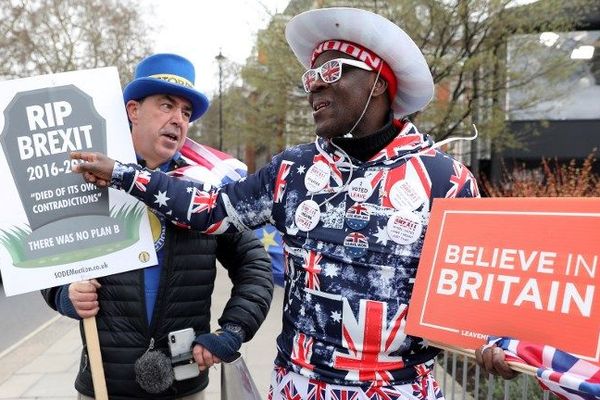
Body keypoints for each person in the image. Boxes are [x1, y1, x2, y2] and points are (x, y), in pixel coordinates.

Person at [71, 8, 481, 400]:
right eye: (310, 77)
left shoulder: (447, 181)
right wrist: (122, 174)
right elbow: (213, 209)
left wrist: (495, 344)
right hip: (297, 385)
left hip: (398, 388)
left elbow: (478, 295)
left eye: (330, 71)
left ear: (377, 82)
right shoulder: (294, 169)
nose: (314, 85)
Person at [42, 53, 274, 400]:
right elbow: (47, 260)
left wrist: (232, 331)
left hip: (183, 383)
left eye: (185, 112)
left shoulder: (205, 192)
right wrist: (63, 295)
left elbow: (255, 265)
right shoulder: (89, 180)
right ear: (133, 110)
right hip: (105, 383)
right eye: (166, 105)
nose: (178, 119)